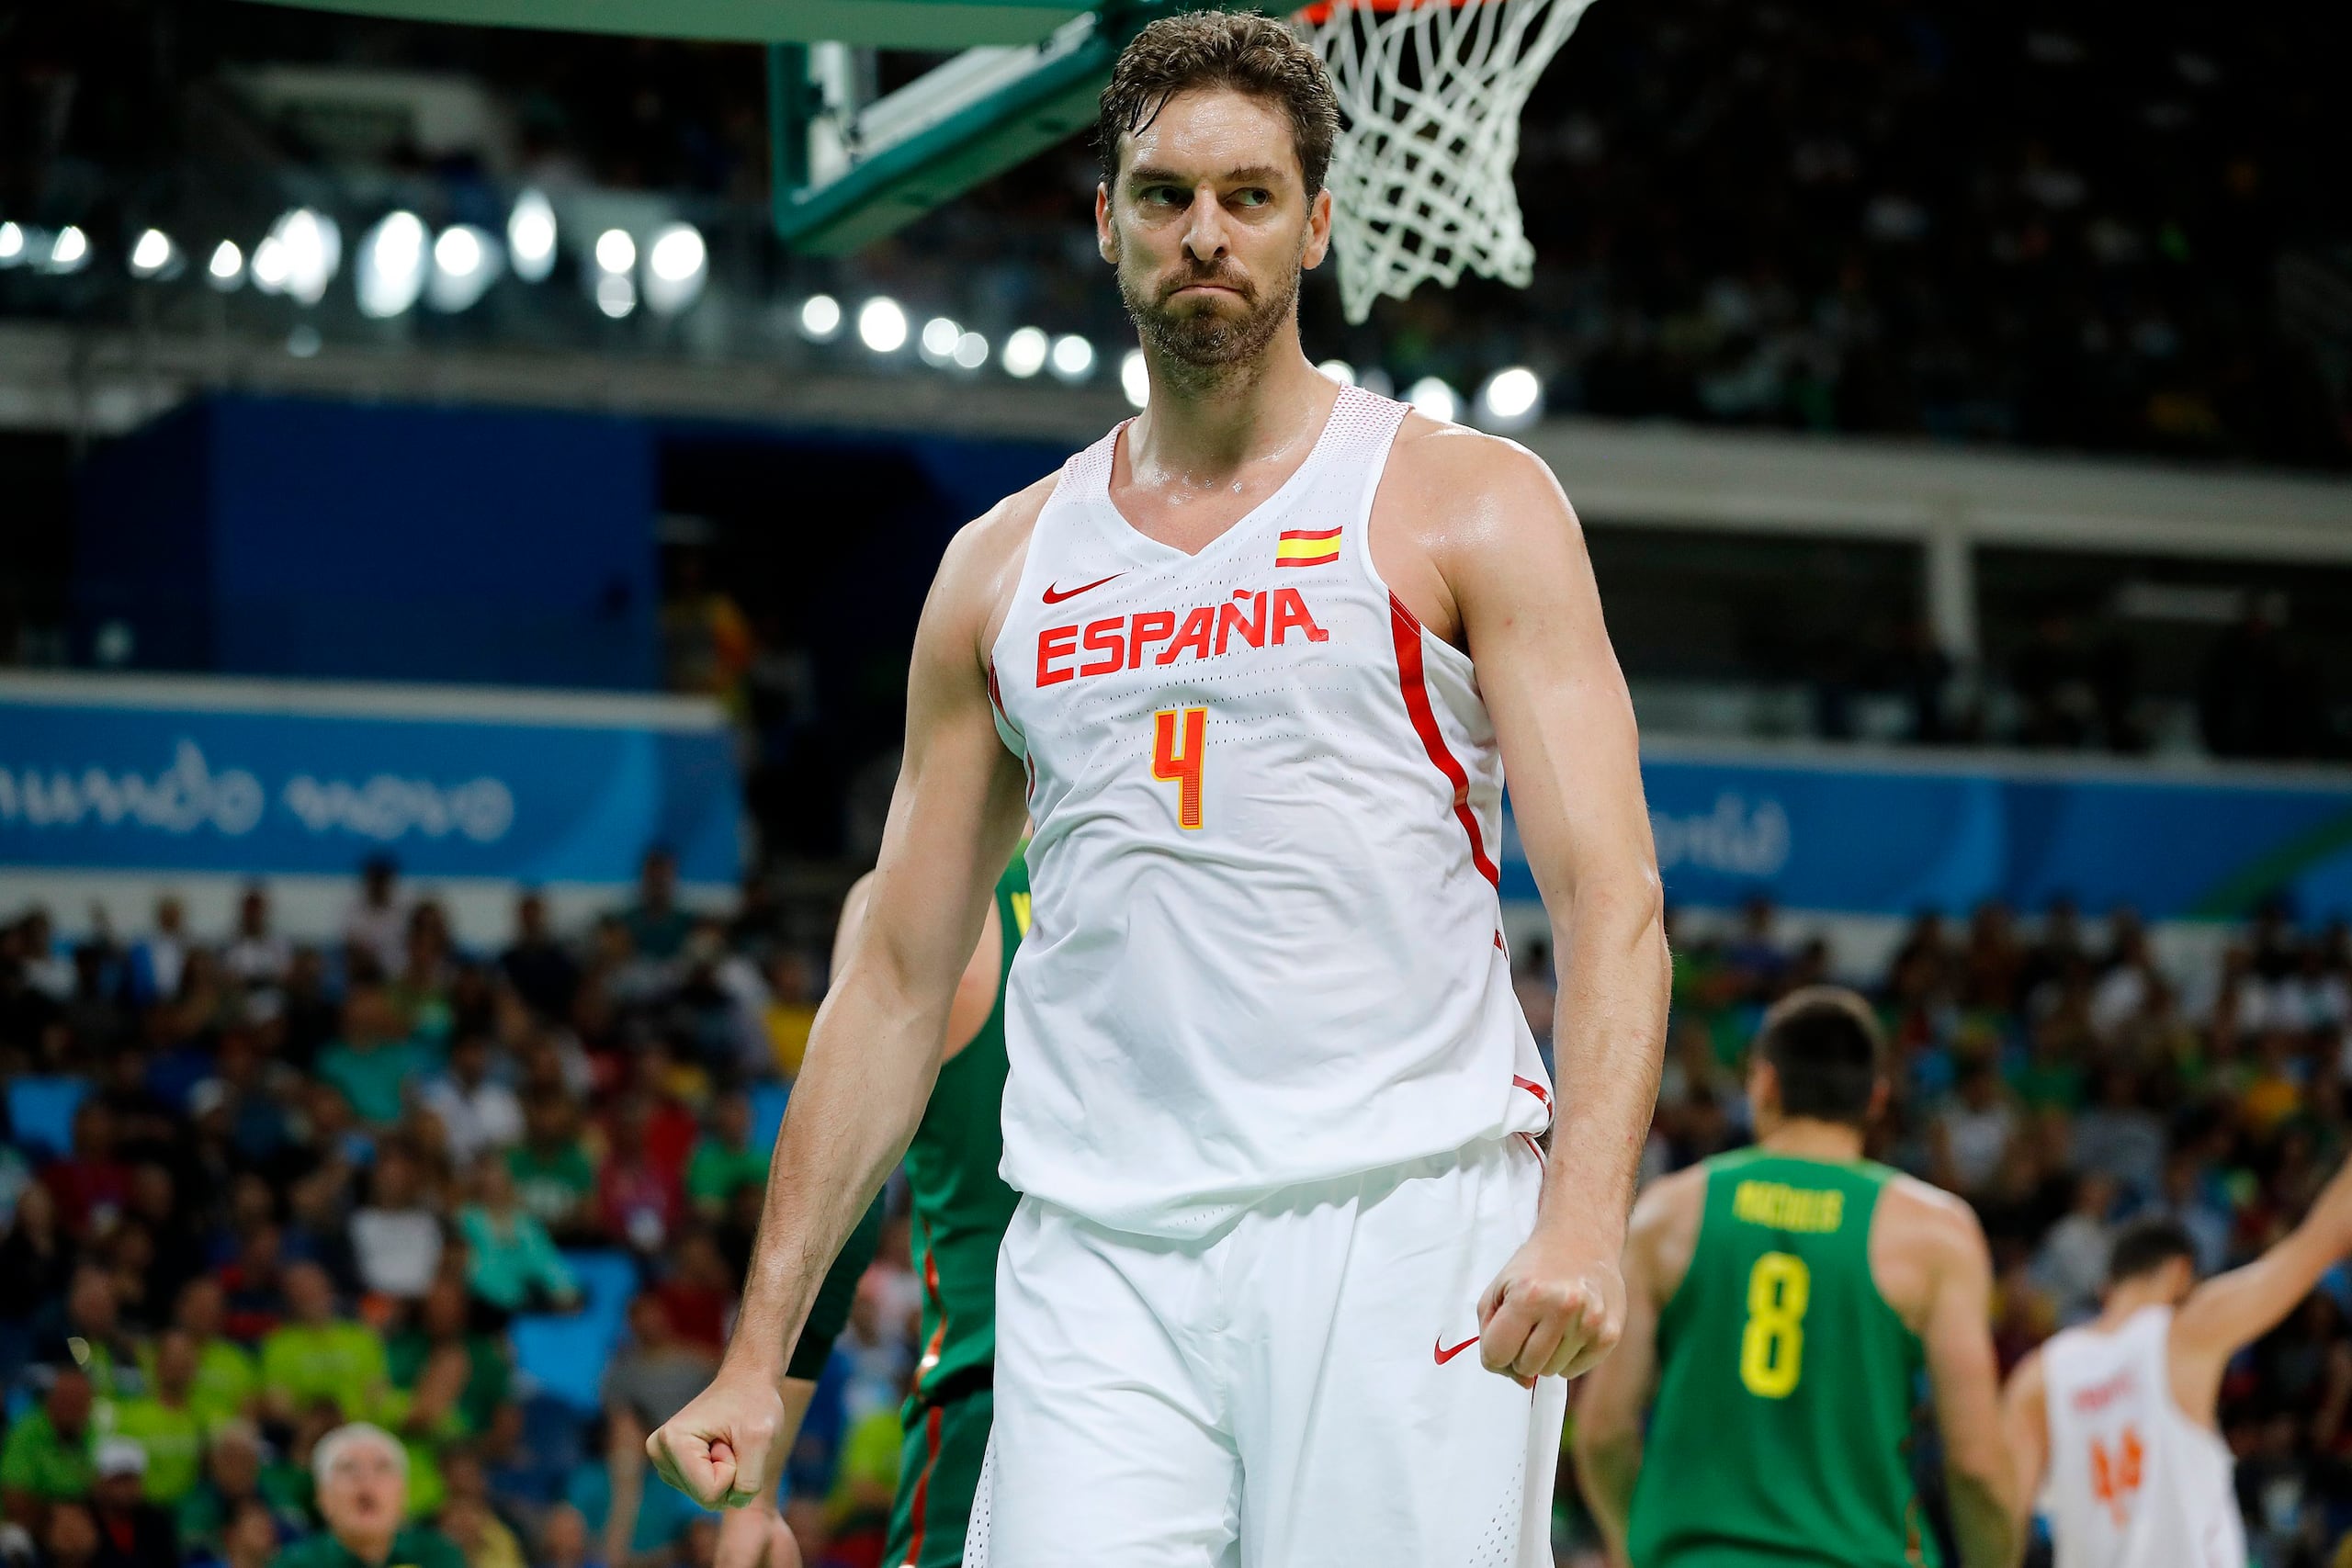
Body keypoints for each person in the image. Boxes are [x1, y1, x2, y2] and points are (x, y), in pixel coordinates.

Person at [650, 12, 1668, 1563]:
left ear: (1317, 223)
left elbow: (1613, 902)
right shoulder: (1001, 566)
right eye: (1167, 194)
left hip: (1398, 1227)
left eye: (1250, 196)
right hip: (1093, 1257)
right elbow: (901, 981)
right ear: (1108, 221)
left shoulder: (1467, 504)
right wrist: (761, 1350)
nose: (1207, 232)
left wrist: (1588, 1212)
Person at [1573, 988, 2018, 1568]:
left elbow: (1604, 1430)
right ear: (1877, 1099)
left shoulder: (1670, 1212)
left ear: (1764, 1084)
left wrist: (1631, 1544)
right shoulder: (1936, 1235)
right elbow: (1977, 1466)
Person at [2001, 1163, 2352, 1568]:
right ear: (2180, 1273)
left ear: (2108, 1286)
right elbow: (2318, 1242)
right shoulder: (2184, 1332)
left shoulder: (2038, 1374)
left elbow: (2002, 1522)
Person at [267, 1424, 462, 1568]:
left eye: (381, 1468)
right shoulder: (293, 1564)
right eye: (348, 1468)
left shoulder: (438, 1556)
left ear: (402, 1494)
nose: (366, 1480)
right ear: (323, 1498)